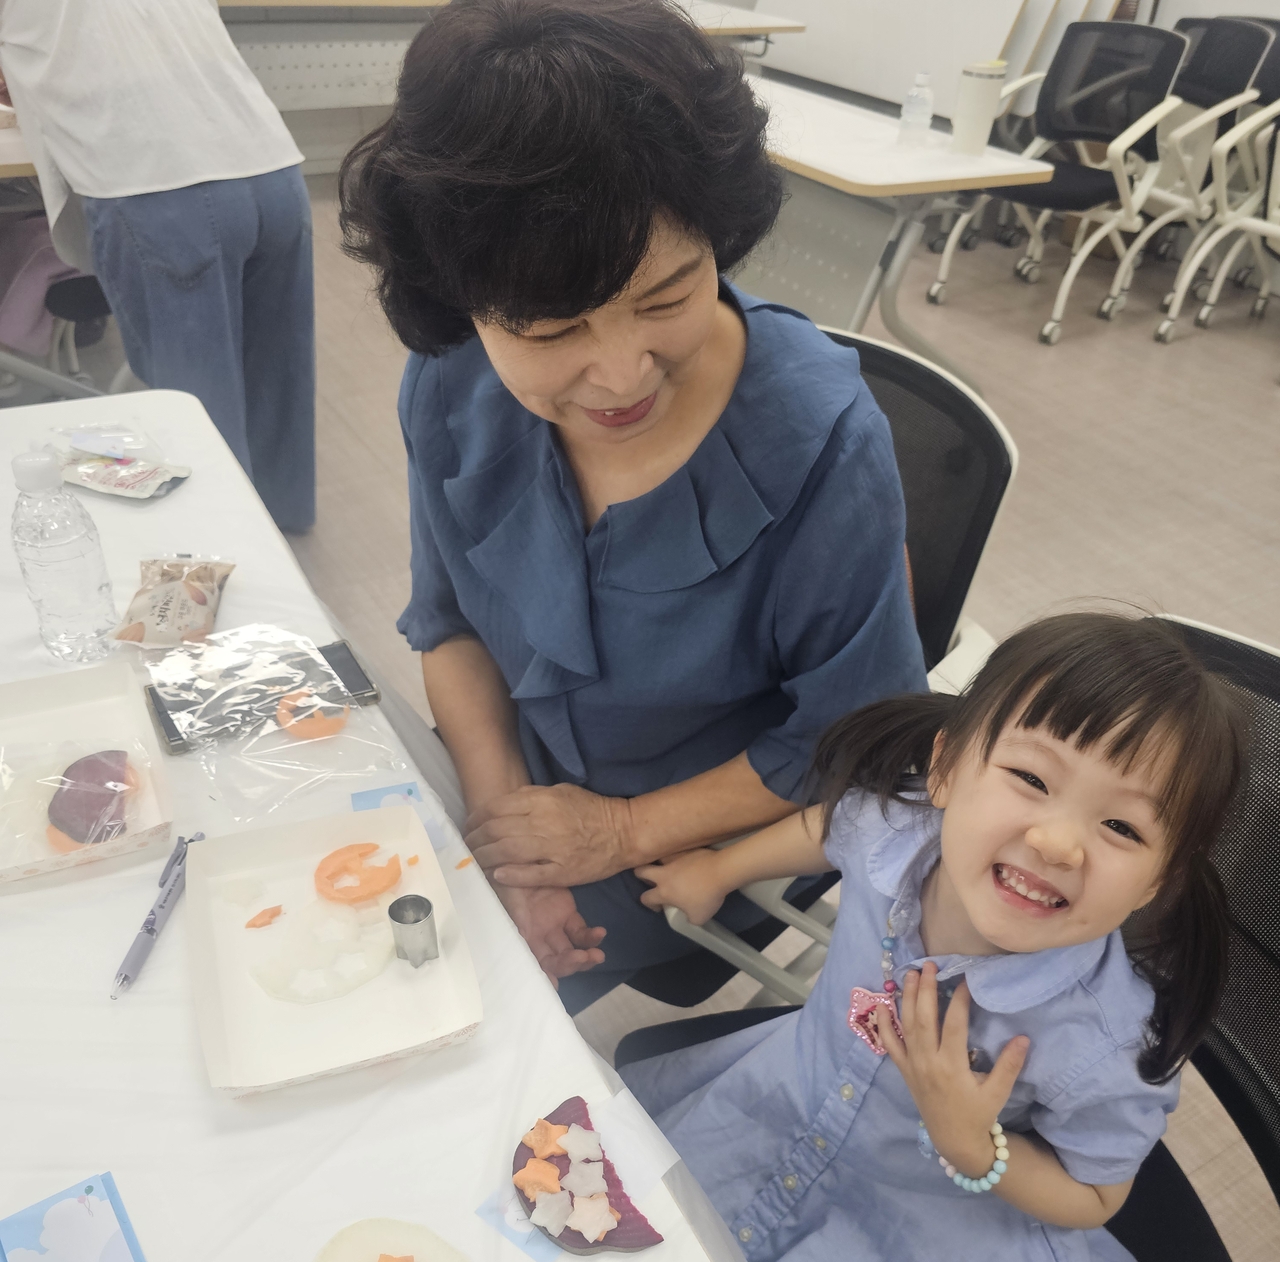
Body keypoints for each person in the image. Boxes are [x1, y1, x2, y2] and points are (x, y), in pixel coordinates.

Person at [339, 0, 926, 1013]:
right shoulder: (449, 383)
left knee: (432, 1017)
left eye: (665, 297)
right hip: (516, 787)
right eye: (553, 328)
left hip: (701, 848)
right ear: (463, 300)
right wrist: (512, 835)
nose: (619, 374)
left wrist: (612, 836)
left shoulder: (819, 445)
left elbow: (849, 739)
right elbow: (452, 633)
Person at [621, 614, 1247, 1262]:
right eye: (1031, 777)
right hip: (785, 1097)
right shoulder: (900, 825)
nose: (1057, 840)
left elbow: (1099, 1193)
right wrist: (717, 868)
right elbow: (829, 828)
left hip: (920, 1234)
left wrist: (974, 1146)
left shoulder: (1100, 1041)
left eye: (1122, 828)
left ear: (1156, 884)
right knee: (624, 1257)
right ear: (948, 767)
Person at [0, 0, 315, 533]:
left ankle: (230, 548)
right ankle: (280, 520)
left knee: (194, 403)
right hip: (272, 170)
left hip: (158, 185)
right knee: (277, 376)